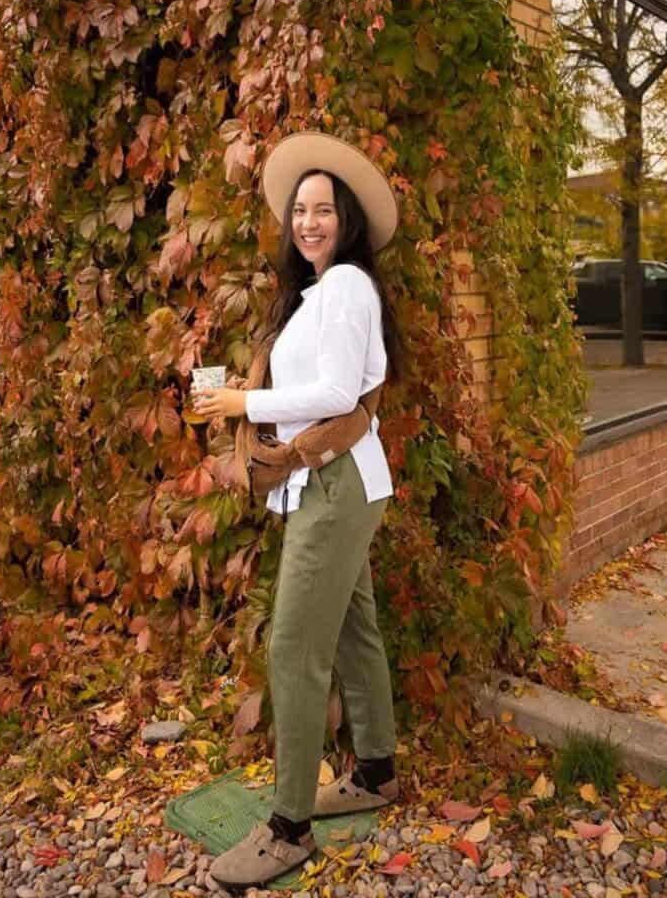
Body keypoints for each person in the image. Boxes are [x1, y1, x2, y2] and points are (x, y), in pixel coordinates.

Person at [191, 131, 403, 888]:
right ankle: (374, 771)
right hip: (337, 481)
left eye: (324, 210)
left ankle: (288, 829)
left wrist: (243, 403)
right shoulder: (317, 294)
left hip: (336, 484)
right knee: (352, 629)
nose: (309, 222)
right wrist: (245, 398)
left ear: (346, 221)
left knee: (292, 648)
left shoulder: (345, 285)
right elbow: (316, 390)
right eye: (300, 211)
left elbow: (339, 394)